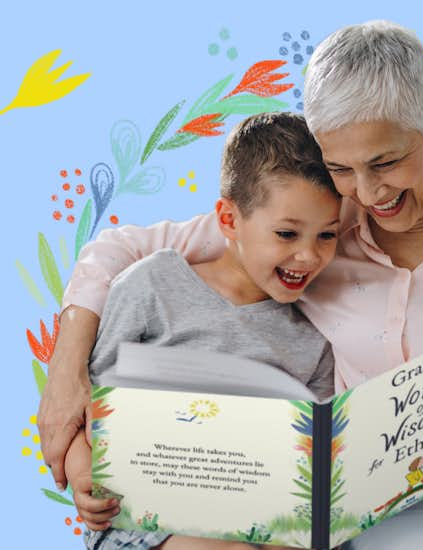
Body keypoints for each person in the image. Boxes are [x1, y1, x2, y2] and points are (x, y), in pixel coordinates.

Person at [40, 20, 423, 550]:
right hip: (422, 502)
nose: (370, 195)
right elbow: (120, 248)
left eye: (387, 162)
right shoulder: (317, 226)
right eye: (342, 168)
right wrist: (68, 371)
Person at [63, 111, 340, 549]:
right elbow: (86, 409)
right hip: (149, 516)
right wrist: (82, 475)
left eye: (327, 236)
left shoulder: (315, 333)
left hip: (263, 514)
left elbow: (316, 452)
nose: (308, 256)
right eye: (287, 234)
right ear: (229, 220)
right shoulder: (152, 284)